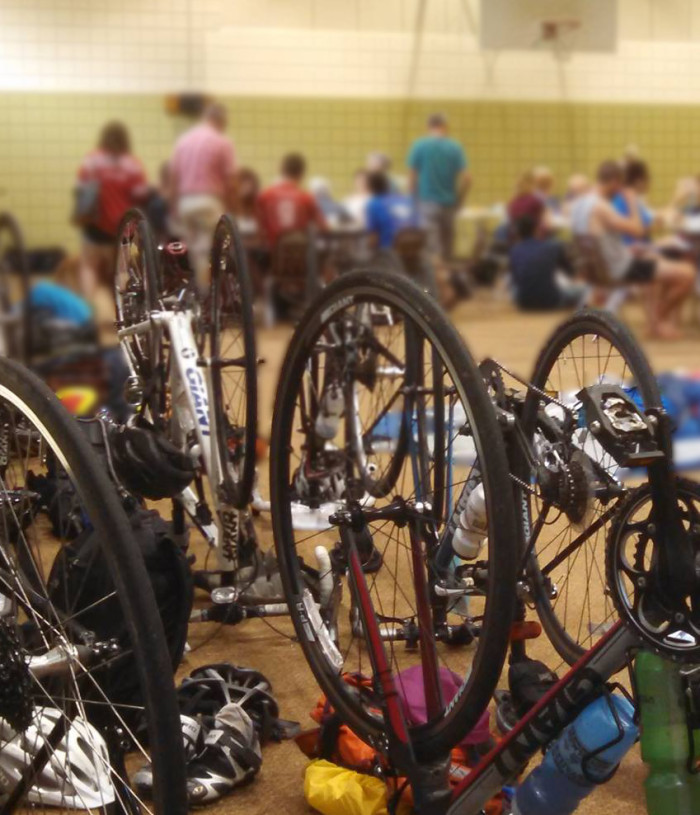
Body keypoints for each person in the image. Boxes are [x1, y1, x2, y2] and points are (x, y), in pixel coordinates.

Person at [571, 160, 695, 339]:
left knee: (652, 258)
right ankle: (658, 321)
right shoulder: (600, 207)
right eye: (620, 184)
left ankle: (655, 324)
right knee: (687, 273)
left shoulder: (580, 205)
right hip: (619, 268)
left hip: (599, 267)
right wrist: (631, 201)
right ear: (614, 181)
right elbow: (637, 229)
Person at [75, 121, 148, 297]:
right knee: (121, 271)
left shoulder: (92, 159)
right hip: (123, 227)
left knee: (89, 267)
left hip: (96, 225)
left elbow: (80, 188)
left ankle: (89, 309)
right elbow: (141, 194)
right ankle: (121, 311)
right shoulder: (132, 163)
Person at [169, 102, 237, 283]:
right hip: (209, 200)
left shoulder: (183, 141)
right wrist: (233, 209)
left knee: (197, 252)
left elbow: (174, 177)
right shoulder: (222, 142)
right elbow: (231, 180)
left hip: (185, 203)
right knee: (217, 248)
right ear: (220, 121)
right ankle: (215, 293)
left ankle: (201, 292)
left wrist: (174, 207)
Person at [407, 113, 470, 262]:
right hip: (449, 203)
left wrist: (413, 200)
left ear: (428, 127)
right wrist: (459, 200)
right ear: (445, 127)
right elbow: (467, 179)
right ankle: (447, 276)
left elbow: (412, 177)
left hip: (427, 202)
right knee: (447, 247)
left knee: (432, 249)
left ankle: (435, 282)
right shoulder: (455, 147)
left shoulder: (420, 145)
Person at [508, 194, 587, 311]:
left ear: (518, 233)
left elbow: (515, 279)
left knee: (515, 288)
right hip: (551, 299)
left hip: (523, 301)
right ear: (536, 230)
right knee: (585, 290)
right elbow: (570, 273)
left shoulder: (514, 250)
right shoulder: (553, 246)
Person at [257, 153, 326, 249]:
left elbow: (258, 227)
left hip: (272, 255)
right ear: (301, 173)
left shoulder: (265, 196)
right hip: (300, 255)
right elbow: (323, 227)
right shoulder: (306, 197)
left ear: (281, 170)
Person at [365, 171, 420, 249]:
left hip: (391, 249)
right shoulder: (405, 199)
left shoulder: (374, 204)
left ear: (369, 187)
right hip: (416, 247)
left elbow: (373, 237)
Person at [611, 159, 653, 245]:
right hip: (631, 250)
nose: (649, 183)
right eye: (647, 178)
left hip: (635, 247)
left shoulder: (621, 196)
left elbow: (648, 221)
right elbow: (641, 230)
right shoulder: (628, 197)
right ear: (639, 181)